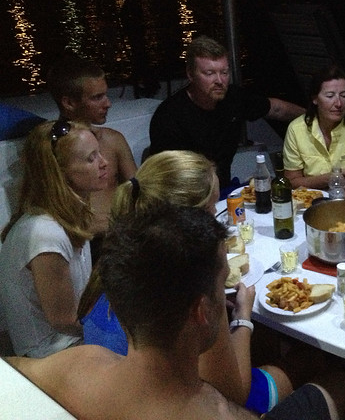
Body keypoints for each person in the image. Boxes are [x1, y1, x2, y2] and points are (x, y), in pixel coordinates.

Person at [4, 204, 345, 420]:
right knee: (332, 388)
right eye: (221, 283)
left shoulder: (79, 366)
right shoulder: (211, 411)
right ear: (202, 310)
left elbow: (11, 369)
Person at [76, 150, 298, 415]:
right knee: (291, 371)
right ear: (190, 220)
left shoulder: (119, 254)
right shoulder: (192, 282)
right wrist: (243, 318)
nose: (216, 214)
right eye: (211, 208)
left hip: (121, 395)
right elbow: (235, 393)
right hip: (169, 402)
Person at [0, 120, 108, 357]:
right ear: (60, 174)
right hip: (51, 354)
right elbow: (65, 321)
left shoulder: (67, 218)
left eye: (100, 153)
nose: (104, 163)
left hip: (72, 342)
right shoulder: (44, 234)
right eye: (91, 159)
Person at [148, 35, 305, 194]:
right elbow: (164, 175)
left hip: (223, 190)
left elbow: (276, 109)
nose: (219, 80)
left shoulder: (232, 97)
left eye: (224, 72)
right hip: (186, 195)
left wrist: (313, 115)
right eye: (209, 73)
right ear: (190, 74)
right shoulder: (169, 116)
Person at [47, 53, 137, 235]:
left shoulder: (113, 140)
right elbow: (47, 212)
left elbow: (139, 193)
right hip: (82, 241)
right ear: (69, 103)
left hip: (123, 237)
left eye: (106, 94)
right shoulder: (49, 148)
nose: (108, 103)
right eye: (97, 97)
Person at [282, 64, 345, 189]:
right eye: (330, 96)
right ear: (315, 99)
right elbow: (291, 182)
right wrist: (330, 178)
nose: (338, 103)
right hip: (310, 200)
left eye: (344, 96)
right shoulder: (297, 129)